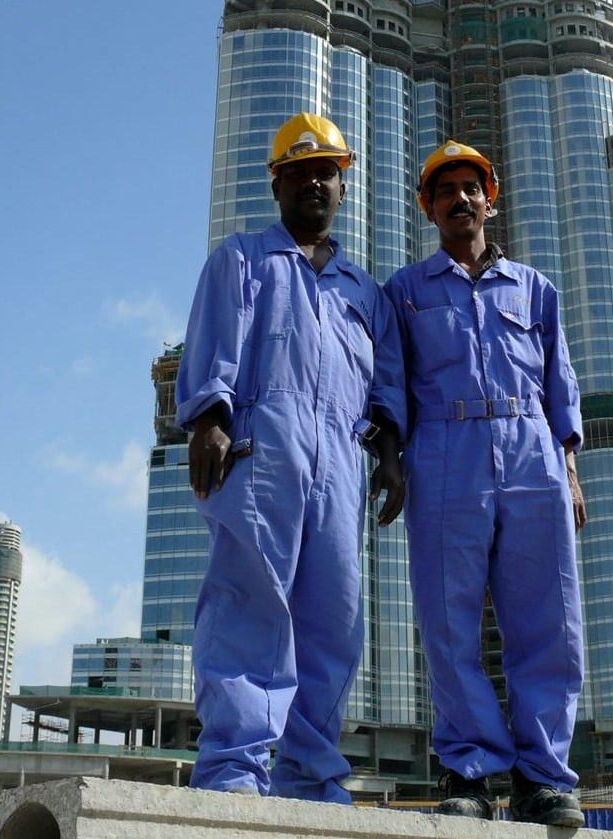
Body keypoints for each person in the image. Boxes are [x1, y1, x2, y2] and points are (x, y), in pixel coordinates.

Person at [175, 112, 405, 803]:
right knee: (249, 601)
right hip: (260, 448)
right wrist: (208, 419)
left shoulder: (364, 292)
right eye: (298, 171)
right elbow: (212, 344)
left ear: (343, 187)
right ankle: (234, 769)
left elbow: (386, 384)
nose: (312, 182)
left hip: (341, 461)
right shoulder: (242, 259)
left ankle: (309, 776)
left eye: (324, 172)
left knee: (331, 620)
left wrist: (389, 457)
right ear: (276, 185)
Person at [385, 141, 587, 827]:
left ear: (489, 197)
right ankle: (469, 771)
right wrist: (389, 454)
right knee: (449, 621)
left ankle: (543, 778)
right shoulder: (405, 293)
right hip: (444, 454)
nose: (461, 199)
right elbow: (389, 385)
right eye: (446, 191)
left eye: (472, 187)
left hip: (532, 454)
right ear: (427, 208)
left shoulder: (535, 289)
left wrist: (569, 469)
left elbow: (559, 383)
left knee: (548, 621)